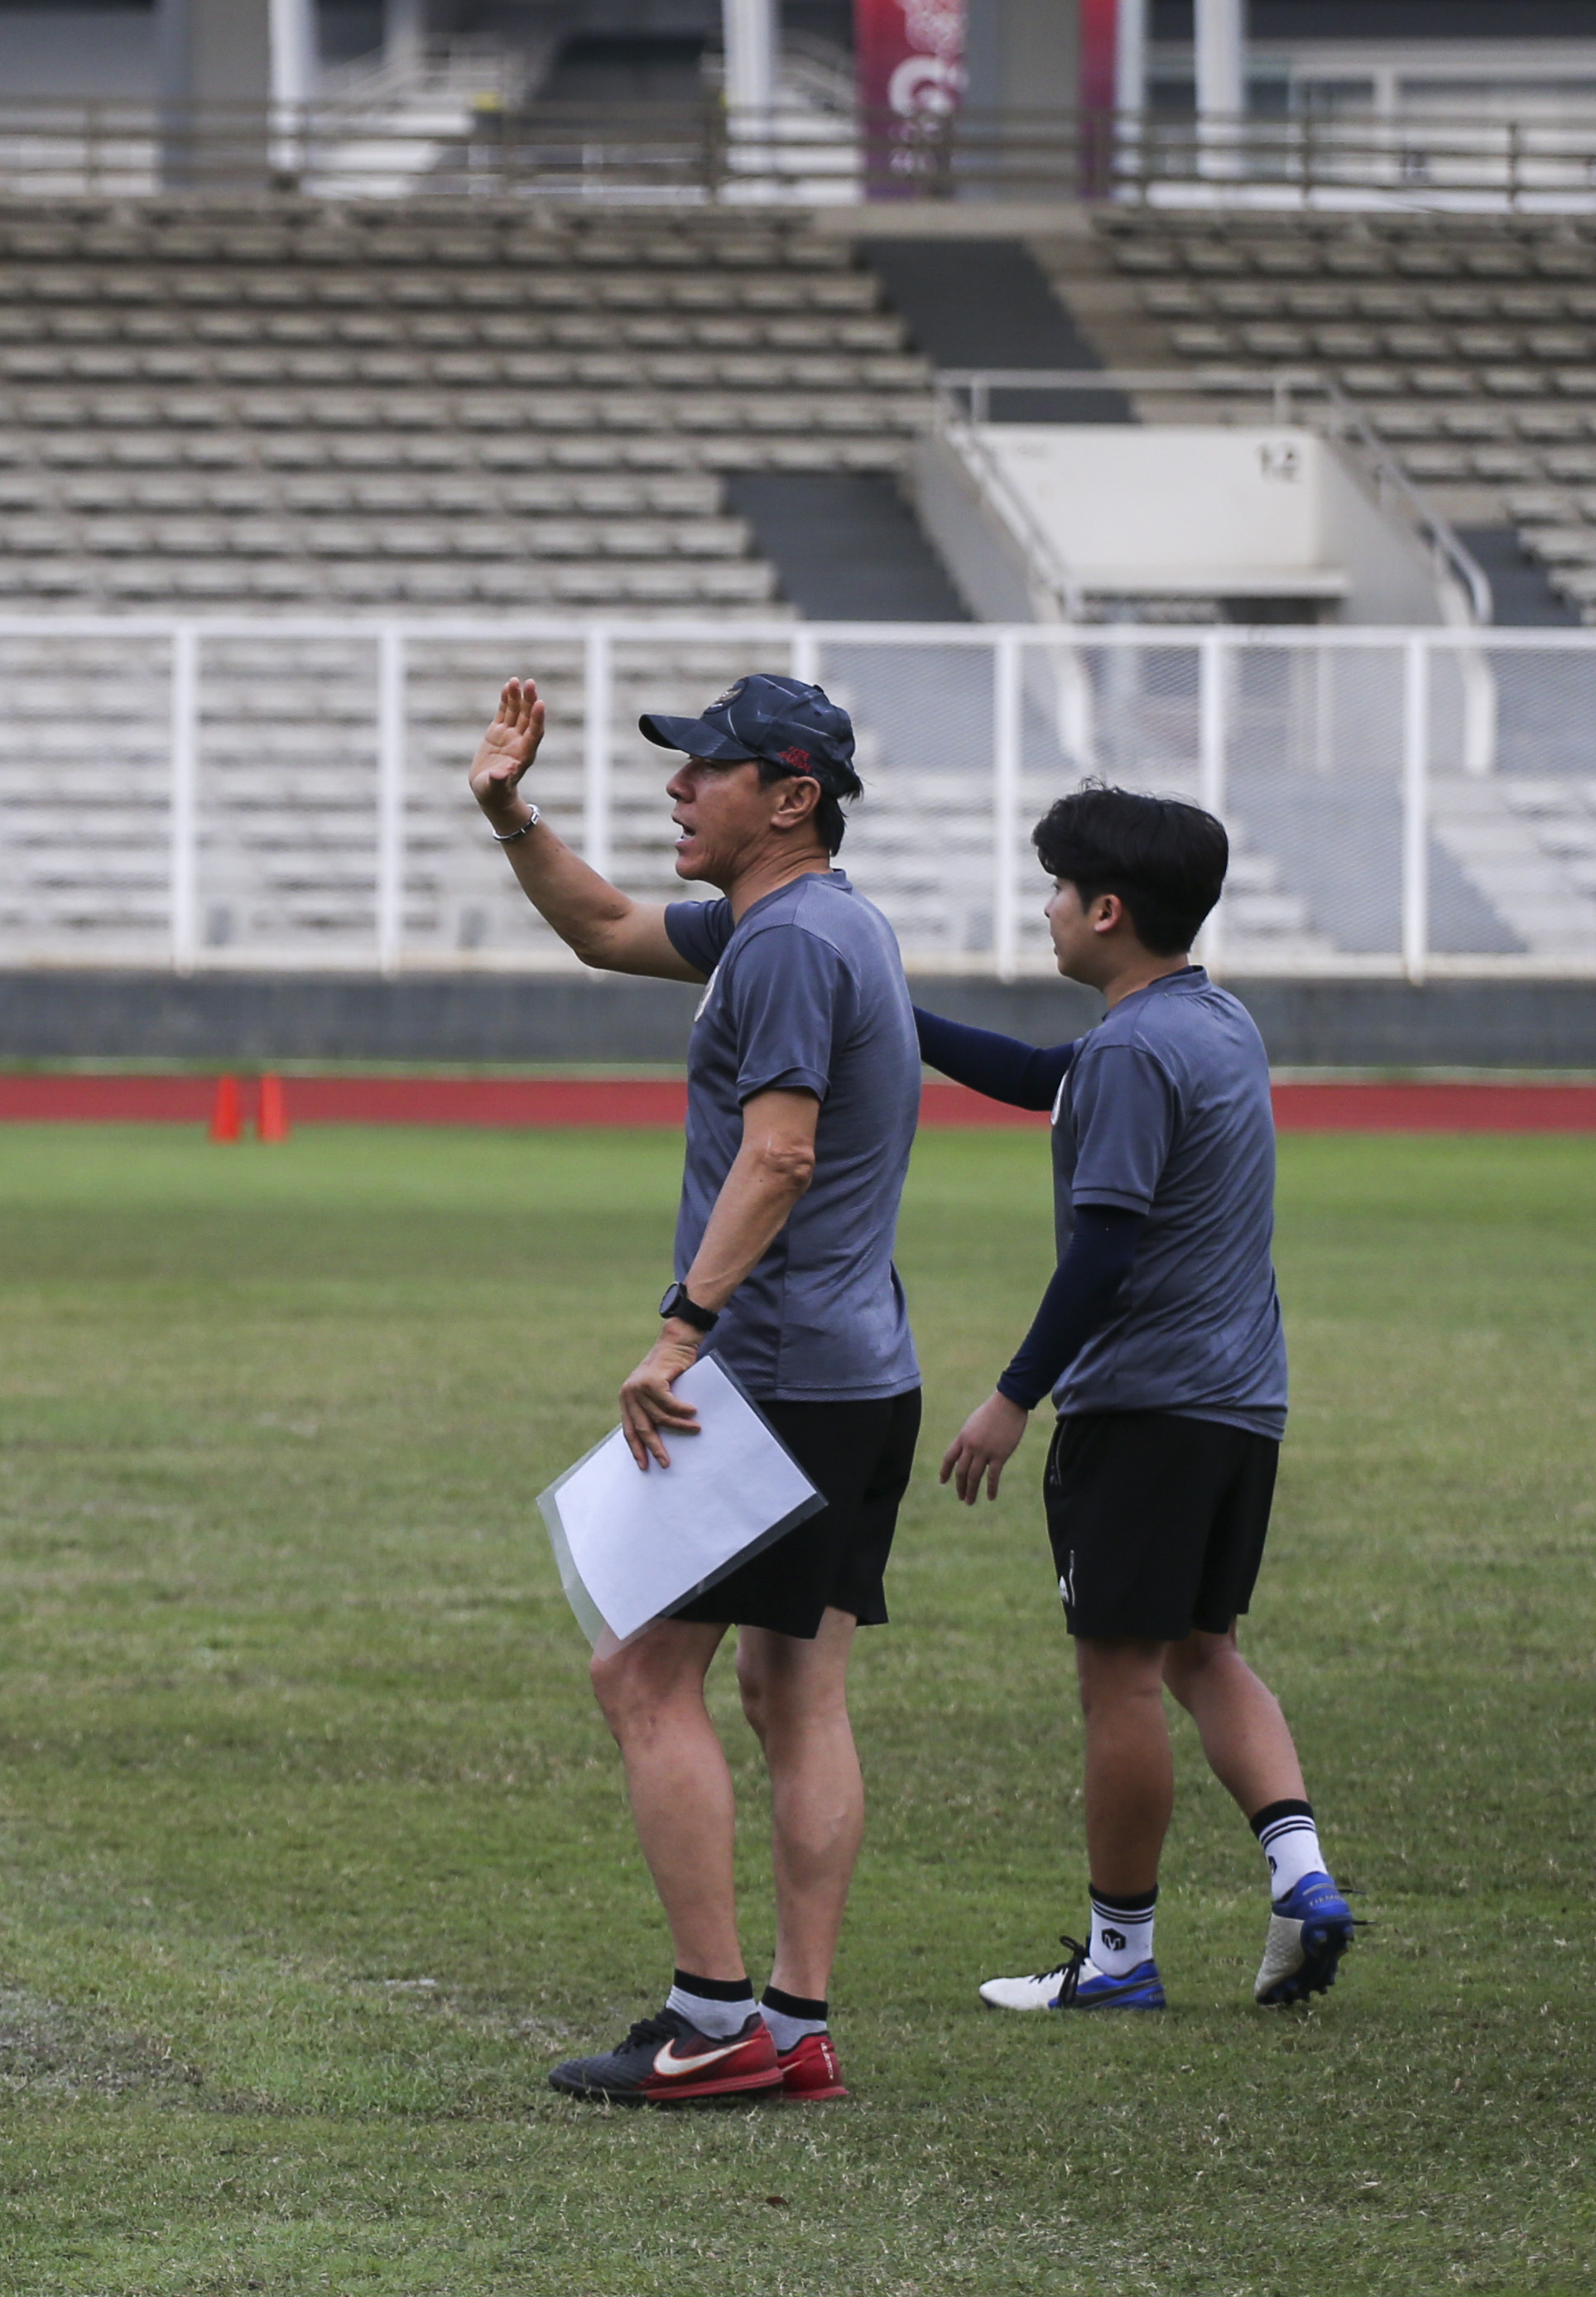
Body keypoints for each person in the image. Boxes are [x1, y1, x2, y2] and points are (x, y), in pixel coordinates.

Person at [469, 673, 921, 2108]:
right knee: (798, 1688)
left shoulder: (786, 945)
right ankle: (791, 2021)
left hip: (774, 1369)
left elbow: (777, 1155)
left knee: (638, 1671)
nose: (676, 786)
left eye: (704, 767)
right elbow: (605, 928)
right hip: (862, 1369)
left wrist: (680, 1327)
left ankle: (713, 2016)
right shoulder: (809, 920)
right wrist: (508, 814)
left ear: (790, 797)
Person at [922, 784, 1353, 2014]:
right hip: (1241, 1404)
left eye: (1058, 888)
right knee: (1204, 1648)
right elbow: (1036, 1071)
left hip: (1141, 1408)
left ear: (1105, 909)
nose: (1047, 907)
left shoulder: (1126, 1052)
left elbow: (1103, 1249)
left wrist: (1013, 1395)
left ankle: (1118, 1959)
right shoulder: (1214, 1020)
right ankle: (1302, 1875)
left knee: (1116, 1675)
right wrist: (887, 1017)